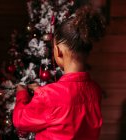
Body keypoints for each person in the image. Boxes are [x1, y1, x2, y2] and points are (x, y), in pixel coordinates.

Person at [13, 5, 105, 140]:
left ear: (58, 51)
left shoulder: (49, 96)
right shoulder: (95, 91)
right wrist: (41, 92)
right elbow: (69, 112)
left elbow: (20, 121)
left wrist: (21, 94)